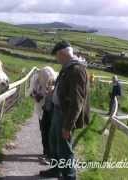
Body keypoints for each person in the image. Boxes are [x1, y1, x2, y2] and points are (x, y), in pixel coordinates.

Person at [39, 41, 90, 180]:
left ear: (62, 53)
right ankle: (56, 170)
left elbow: (77, 101)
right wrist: (54, 92)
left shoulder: (76, 70)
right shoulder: (67, 68)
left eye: (57, 55)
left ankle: (69, 176)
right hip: (58, 111)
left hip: (65, 115)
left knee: (64, 147)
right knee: (54, 142)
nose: (57, 59)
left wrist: (68, 126)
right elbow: (65, 89)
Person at [39, 83, 54, 164]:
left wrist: (53, 90)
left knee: (50, 133)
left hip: (53, 111)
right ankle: (47, 154)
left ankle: (50, 156)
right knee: (44, 130)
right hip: (47, 109)